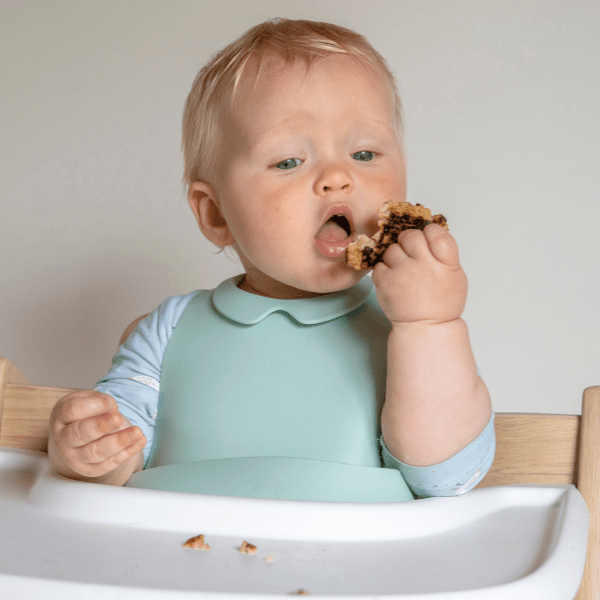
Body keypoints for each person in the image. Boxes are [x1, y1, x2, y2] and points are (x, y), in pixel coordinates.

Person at [48, 18, 495, 501]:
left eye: (365, 153)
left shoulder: (405, 329)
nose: (337, 177)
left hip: (357, 566)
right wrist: (89, 450)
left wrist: (429, 327)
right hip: (185, 556)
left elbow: (444, 478)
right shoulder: (169, 333)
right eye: (288, 161)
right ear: (216, 213)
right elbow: (120, 455)